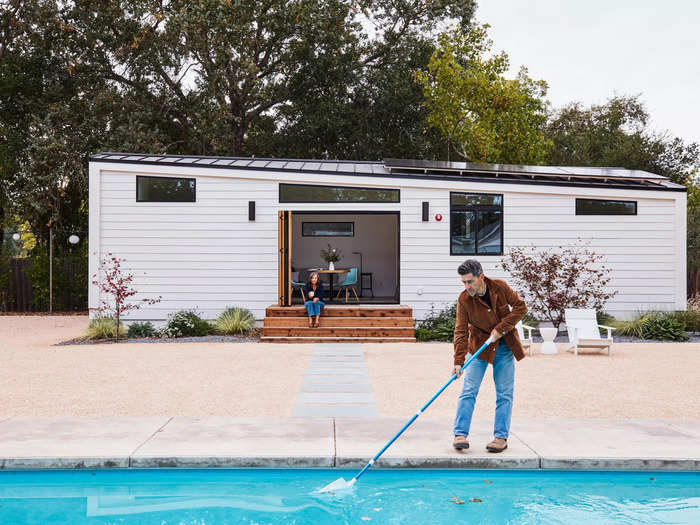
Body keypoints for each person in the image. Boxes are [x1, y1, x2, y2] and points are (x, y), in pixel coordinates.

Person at [452, 259, 527, 453]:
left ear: (481, 277)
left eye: (470, 281)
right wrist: (458, 361)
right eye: (464, 282)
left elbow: (521, 308)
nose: (467, 286)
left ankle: (500, 438)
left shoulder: (499, 287)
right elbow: (460, 331)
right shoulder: (464, 299)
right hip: (478, 347)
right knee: (469, 390)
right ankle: (460, 434)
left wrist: (500, 329)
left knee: (504, 393)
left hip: (504, 347)